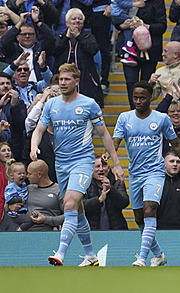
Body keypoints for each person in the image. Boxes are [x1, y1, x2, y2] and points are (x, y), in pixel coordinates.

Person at [30, 63, 123, 267]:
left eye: (67, 79)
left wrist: (116, 163)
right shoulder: (52, 105)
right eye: (60, 79)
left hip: (82, 161)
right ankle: (90, 255)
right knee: (77, 210)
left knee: (70, 204)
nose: (63, 83)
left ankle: (60, 253)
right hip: (61, 164)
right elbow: (39, 129)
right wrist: (33, 146)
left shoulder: (89, 104)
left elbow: (104, 134)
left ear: (76, 81)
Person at [112, 81, 180, 267]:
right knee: (139, 218)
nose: (138, 101)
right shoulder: (124, 118)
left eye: (142, 97)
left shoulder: (161, 118)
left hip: (154, 172)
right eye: (135, 98)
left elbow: (176, 144)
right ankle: (158, 254)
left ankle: (141, 258)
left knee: (150, 209)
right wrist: (108, 154)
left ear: (150, 98)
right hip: (135, 173)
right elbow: (115, 141)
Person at [118, 0, 168, 108]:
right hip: (129, 48)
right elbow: (117, 17)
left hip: (149, 49)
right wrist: (122, 25)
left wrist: (146, 26)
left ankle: (144, 111)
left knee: (146, 84)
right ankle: (133, 112)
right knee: (131, 83)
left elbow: (162, 26)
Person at [53, 8, 103, 107]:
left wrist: (78, 36)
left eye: (80, 19)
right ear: (67, 23)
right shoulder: (60, 37)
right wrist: (66, 38)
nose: (77, 21)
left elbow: (92, 49)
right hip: (63, 78)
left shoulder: (88, 36)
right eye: (74, 19)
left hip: (84, 79)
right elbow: (54, 50)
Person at [110, 0, 144, 66]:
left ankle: (126, 56)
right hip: (117, 14)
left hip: (122, 13)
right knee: (134, 22)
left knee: (128, 27)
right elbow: (120, 2)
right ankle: (129, 45)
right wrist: (134, 4)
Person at [83, 154, 129, 230]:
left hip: (116, 231)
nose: (101, 169)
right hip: (92, 231)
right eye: (97, 166)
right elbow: (80, 205)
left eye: (104, 166)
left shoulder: (117, 182)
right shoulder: (85, 184)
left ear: (108, 169)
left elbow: (124, 203)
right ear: (91, 169)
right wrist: (99, 200)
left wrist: (110, 189)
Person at [4, 161, 34, 231]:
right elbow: (8, 199)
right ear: (12, 176)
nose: (22, 175)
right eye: (19, 174)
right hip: (14, 213)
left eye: (24, 173)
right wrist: (20, 200)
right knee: (29, 220)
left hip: (23, 211)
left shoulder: (23, 185)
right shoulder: (11, 187)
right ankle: (18, 232)